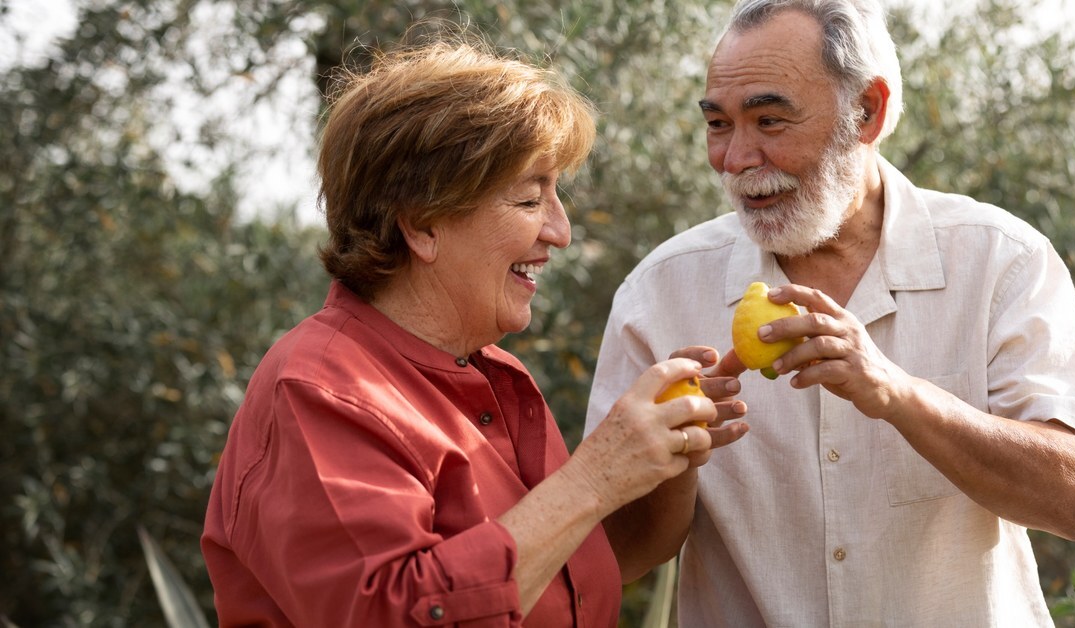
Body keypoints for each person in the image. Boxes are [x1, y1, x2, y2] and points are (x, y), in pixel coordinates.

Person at [584, 0, 1075, 625]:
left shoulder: (1002, 261)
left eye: (770, 120)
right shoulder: (659, 292)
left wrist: (896, 393)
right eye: (719, 124)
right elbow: (619, 556)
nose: (736, 158)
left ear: (869, 111)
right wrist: (672, 457)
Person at [200, 34, 743, 627]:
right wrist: (594, 476)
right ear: (423, 223)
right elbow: (397, 615)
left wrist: (673, 449)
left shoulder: (494, 374)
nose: (560, 231)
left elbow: (588, 567)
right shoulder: (319, 392)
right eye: (530, 199)